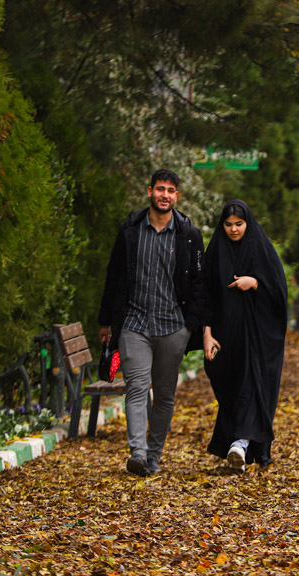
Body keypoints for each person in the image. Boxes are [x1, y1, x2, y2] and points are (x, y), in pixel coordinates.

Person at [98, 169, 205, 477]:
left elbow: (199, 283)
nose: (165, 195)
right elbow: (114, 274)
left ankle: (154, 453)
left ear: (177, 197)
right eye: (160, 189)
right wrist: (106, 320)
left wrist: (190, 326)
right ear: (150, 192)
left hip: (173, 326)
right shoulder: (131, 229)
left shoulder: (188, 234)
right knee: (136, 387)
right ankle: (138, 453)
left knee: (165, 395)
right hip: (134, 324)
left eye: (171, 190)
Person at [202, 200, 288, 474]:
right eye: (228, 224)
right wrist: (206, 332)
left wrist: (255, 283)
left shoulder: (260, 248)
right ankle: (239, 445)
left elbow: (278, 289)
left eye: (239, 224)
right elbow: (205, 295)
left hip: (258, 336)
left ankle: (240, 443)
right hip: (226, 336)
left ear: (248, 223)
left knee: (253, 383)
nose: (233, 230)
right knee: (231, 386)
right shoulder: (216, 250)